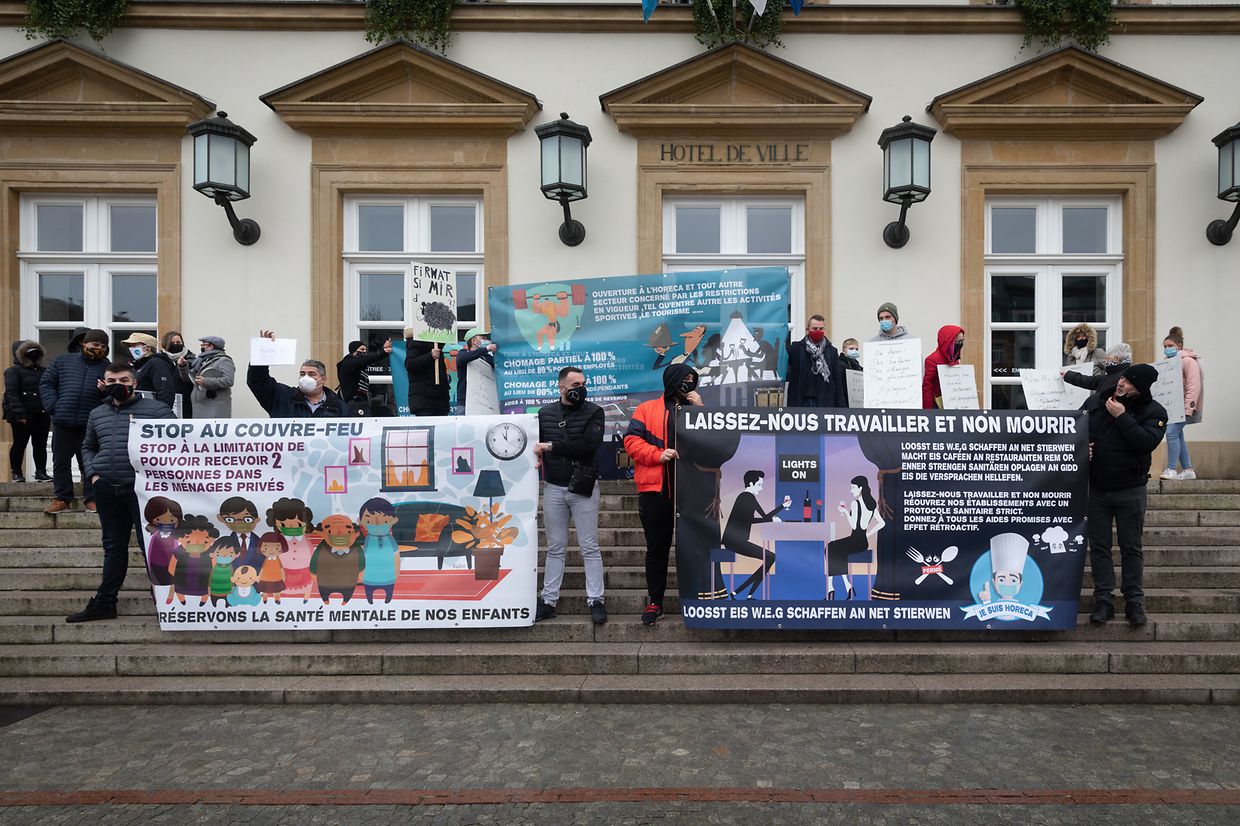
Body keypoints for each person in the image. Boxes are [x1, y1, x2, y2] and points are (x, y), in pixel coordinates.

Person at [66, 362, 176, 622]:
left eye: (124, 380)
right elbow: (88, 446)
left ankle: (167, 603)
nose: (118, 385)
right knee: (113, 547)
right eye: (112, 380)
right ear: (103, 383)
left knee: (152, 546)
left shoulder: (157, 410)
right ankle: (105, 603)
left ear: (134, 383)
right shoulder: (97, 413)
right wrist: (93, 474)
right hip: (107, 488)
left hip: (143, 492)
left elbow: (178, 442)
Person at [1085, 363, 1167, 627]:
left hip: (1130, 490)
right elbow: (1075, 429)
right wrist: (1081, 447)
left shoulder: (1155, 412)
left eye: (1129, 382)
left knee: (1131, 548)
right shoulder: (1098, 401)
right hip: (1097, 489)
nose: (1122, 384)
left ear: (1140, 388)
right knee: (1099, 547)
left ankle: (1134, 601)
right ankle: (1103, 600)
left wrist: (1122, 416)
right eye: (1122, 379)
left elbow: (1145, 442)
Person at [624, 363, 703, 625]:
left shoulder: (697, 407)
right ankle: (655, 601)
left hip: (691, 492)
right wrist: (658, 455)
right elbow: (632, 442)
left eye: (693, 379)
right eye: (685, 378)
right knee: (657, 549)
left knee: (694, 549)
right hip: (656, 493)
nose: (689, 383)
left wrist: (700, 409)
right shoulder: (647, 409)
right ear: (673, 380)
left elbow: (714, 438)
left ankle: (697, 600)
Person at [532, 366, 607, 624]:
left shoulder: (595, 412)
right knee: (555, 547)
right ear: (561, 387)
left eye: (584, 383)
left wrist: (551, 447)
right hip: (553, 487)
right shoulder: (544, 414)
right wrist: (537, 456)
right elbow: (532, 446)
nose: (581, 389)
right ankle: (548, 601)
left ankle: (596, 600)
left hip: (583, 487)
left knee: (589, 547)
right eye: (575, 385)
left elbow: (587, 446)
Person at [38, 328, 109, 514]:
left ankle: (91, 499)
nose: (99, 348)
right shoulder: (62, 361)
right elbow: (46, 383)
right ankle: (62, 498)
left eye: (103, 346)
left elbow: (114, 394)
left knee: (89, 464)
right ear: (84, 344)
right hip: (63, 420)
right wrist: (53, 406)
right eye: (95, 344)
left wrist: (106, 391)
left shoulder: (107, 367)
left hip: (90, 424)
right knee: (60, 461)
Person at [247, 331, 351, 418]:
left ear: (323, 379)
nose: (306, 377)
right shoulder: (282, 397)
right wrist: (262, 354)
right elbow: (258, 381)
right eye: (302, 374)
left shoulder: (338, 406)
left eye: (311, 374)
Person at [722, 470, 786, 600]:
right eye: (759, 485)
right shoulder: (745, 497)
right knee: (770, 557)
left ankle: (742, 593)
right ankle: (743, 593)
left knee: (770, 558)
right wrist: (773, 519)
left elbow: (765, 517)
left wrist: (782, 506)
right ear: (751, 483)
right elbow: (749, 520)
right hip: (734, 540)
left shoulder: (750, 497)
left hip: (737, 540)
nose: (761, 488)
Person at [825, 476, 885, 600]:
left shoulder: (855, 503)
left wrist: (846, 513)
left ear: (860, 488)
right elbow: (881, 523)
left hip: (854, 540)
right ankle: (846, 586)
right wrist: (868, 534)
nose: (851, 490)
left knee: (831, 547)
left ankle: (832, 589)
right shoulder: (871, 505)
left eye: (853, 487)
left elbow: (853, 525)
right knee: (834, 550)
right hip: (863, 542)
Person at [4, 340, 51, 483]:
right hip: (22, 414)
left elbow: (48, 390)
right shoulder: (13, 371)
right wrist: (20, 414)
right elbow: (11, 393)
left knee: (40, 444)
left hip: (41, 413)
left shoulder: (43, 371)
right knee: (20, 443)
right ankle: (16, 473)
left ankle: (41, 472)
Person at [1161, 326, 1203, 481]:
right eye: (1165, 346)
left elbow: (1194, 385)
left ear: (1179, 346)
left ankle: (1171, 469)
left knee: (1171, 432)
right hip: (1172, 406)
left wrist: (1189, 407)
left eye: (1170, 346)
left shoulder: (1188, 362)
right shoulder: (1168, 362)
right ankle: (1188, 470)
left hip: (1183, 406)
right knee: (1178, 435)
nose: (1167, 349)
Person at [785, 314, 846, 407]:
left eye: (821, 329)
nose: (818, 331)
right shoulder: (796, 349)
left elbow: (837, 381)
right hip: (801, 401)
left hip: (825, 401)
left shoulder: (832, 351)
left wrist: (841, 406)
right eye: (815, 328)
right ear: (807, 329)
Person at [179, 335, 235, 419]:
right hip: (200, 406)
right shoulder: (202, 361)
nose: (201, 347)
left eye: (203, 345)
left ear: (211, 346)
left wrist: (205, 381)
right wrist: (183, 366)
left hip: (214, 408)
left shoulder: (224, 360)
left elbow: (229, 380)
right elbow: (190, 379)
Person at [336, 337, 393, 417]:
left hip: (362, 402)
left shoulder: (360, 366)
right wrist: (383, 352)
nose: (364, 352)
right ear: (353, 351)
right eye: (362, 349)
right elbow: (367, 360)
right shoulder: (348, 362)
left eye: (365, 350)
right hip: (352, 403)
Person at [1063, 342, 1132, 402]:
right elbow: (1090, 381)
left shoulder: (1121, 377)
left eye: (1108, 357)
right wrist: (1067, 375)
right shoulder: (1113, 374)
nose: (1106, 359)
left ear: (1116, 359)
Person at [403, 328, 450, 416]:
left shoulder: (437, 347)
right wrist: (430, 356)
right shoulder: (416, 343)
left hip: (439, 399)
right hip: (425, 400)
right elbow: (410, 365)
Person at [123, 333, 177, 409]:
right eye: (130, 346)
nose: (131, 349)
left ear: (147, 348)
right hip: (140, 409)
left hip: (151, 411)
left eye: (134, 345)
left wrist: (162, 413)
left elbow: (165, 391)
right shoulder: (138, 365)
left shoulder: (156, 363)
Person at [455, 328, 497, 414]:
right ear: (474, 340)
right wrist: (486, 349)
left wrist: (496, 353)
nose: (487, 341)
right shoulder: (463, 353)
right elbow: (464, 358)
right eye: (483, 338)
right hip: (465, 402)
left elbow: (498, 366)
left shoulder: (487, 357)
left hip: (485, 402)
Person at [922, 324, 965, 409]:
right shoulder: (932, 360)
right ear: (948, 342)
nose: (960, 345)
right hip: (937, 405)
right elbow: (927, 387)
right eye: (957, 342)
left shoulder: (954, 359)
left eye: (962, 341)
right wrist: (928, 411)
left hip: (953, 404)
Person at [161, 331, 194, 418]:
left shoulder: (191, 359)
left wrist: (183, 366)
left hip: (187, 403)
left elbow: (191, 378)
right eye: (172, 343)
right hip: (165, 403)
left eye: (178, 342)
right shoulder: (159, 360)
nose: (175, 345)